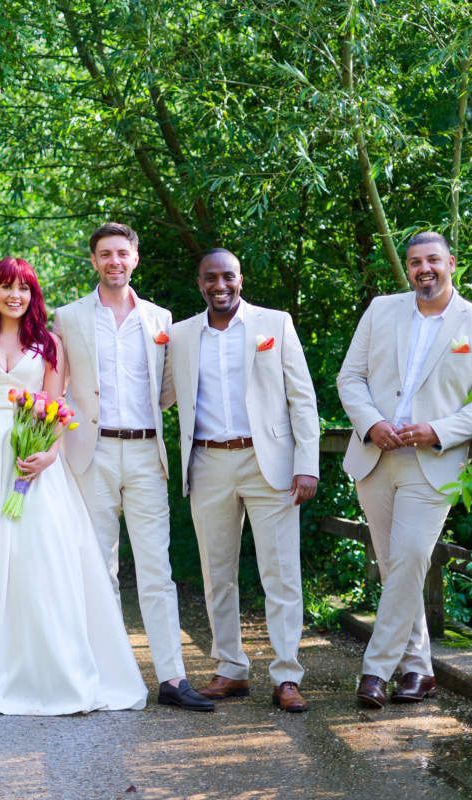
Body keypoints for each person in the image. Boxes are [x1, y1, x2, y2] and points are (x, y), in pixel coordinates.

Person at [0, 257, 148, 715]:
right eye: (6, 287)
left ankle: (45, 671)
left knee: (39, 559)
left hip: (33, 460)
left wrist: (51, 453)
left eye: (23, 289)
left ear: (32, 295)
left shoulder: (50, 344)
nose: (14, 296)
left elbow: (57, 405)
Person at [52, 222, 213, 711]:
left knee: (156, 569)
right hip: (90, 452)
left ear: (135, 258)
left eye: (122, 253)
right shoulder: (69, 317)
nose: (114, 261)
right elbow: (57, 385)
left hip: (146, 453)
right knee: (97, 567)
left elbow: (170, 385)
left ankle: (171, 677)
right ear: (94, 260)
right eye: (105, 254)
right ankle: (97, 674)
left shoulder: (160, 318)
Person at [337, 231, 472, 709]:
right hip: (376, 455)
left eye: (433, 260)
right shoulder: (381, 310)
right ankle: (419, 669)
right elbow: (351, 377)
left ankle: (376, 670)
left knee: (409, 557)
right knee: (397, 569)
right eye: (414, 262)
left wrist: (437, 430)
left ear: (452, 262)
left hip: (433, 461)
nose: (423, 269)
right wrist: (371, 424)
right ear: (407, 268)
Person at [168, 248, 320, 713]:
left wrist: (307, 462)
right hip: (208, 462)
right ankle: (231, 668)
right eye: (211, 278)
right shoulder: (179, 336)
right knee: (217, 574)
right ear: (199, 283)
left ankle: (287, 674)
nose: (220, 285)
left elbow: (303, 397)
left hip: (267, 461)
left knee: (281, 573)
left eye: (228, 276)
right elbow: (159, 395)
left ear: (240, 278)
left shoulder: (275, 325)